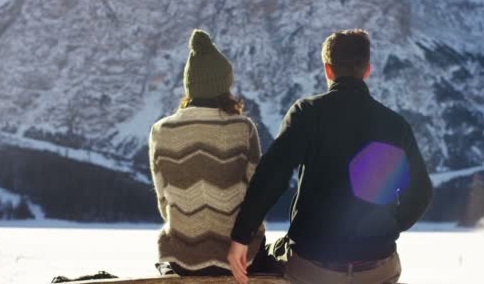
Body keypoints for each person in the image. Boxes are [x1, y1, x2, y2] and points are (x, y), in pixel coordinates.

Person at [228, 29, 433, 284]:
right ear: (367, 70)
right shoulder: (395, 124)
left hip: (314, 268)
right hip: (378, 267)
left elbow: (273, 175)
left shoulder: (306, 113)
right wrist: (389, 227)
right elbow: (421, 191)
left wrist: (241, 236)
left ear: (328, 70)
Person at [148, 29, 268, 276]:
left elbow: (163, 201)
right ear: (225, 85)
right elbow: (257, 195)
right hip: (242, 257)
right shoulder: (242, 127)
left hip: (181, 257)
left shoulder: (161, 130)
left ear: (190, 86)